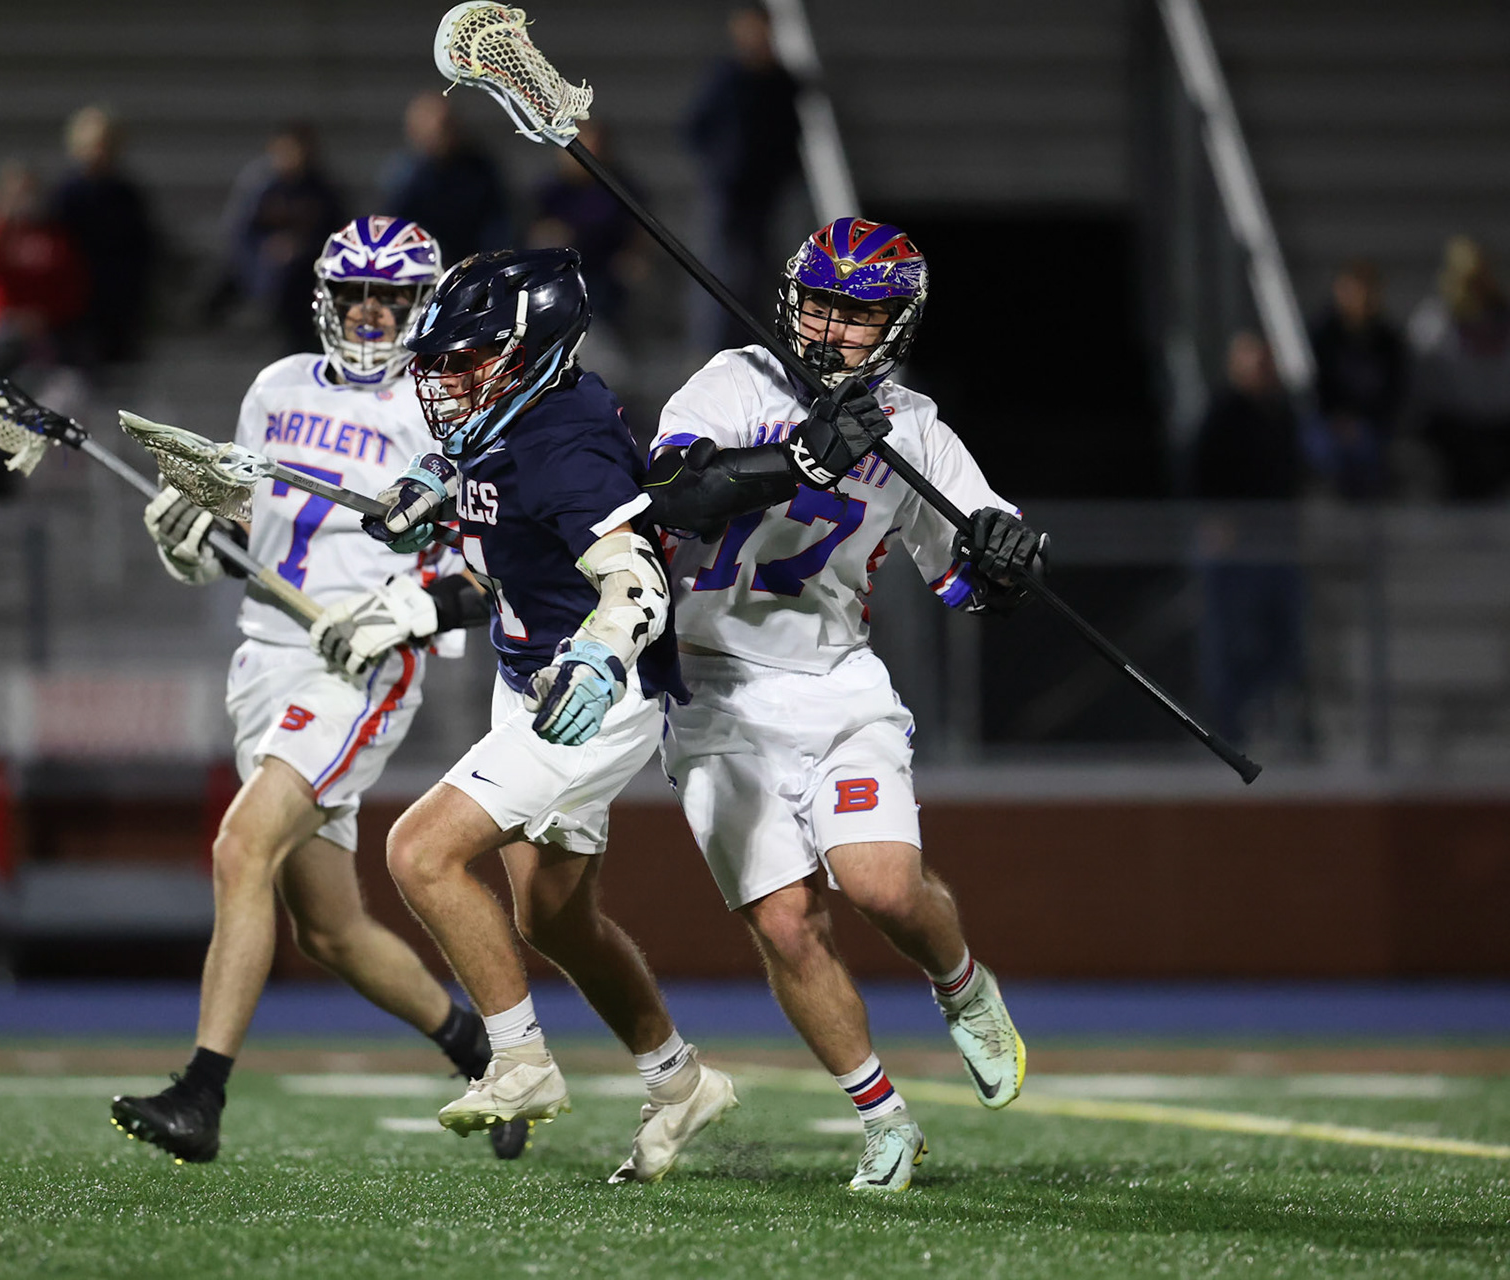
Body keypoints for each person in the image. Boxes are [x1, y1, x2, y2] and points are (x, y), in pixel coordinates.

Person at [109, 217, 528, 1166]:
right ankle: (482, 1052)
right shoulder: (277, 387)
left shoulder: (446, 408)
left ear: (422, 306)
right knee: (332, 930)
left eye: (389, 297)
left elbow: (490, 566)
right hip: (264, 659)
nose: (371, 314)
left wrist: (407, 611)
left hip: (359, 668)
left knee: (239, 847)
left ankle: (202, 1094)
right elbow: (256, 517)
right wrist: (196, 532)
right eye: (354, 297)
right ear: (328, 301)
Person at [641, 218, 1035, 1192]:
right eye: (819, 302)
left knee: (886, 886)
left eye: (856, 315)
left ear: (894, 327)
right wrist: (800, 462)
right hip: (713, 687)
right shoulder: (733, 385)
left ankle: (963, 983)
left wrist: (1009, 558)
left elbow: (974, 558)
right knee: (784, 920)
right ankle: (884, 1116)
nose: (829, 327)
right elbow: (672, 496)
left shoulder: (913, 428)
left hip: (833, 680)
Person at [362, 248, 737, 1185]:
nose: (447, 380)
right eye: (441, 360)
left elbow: (633, 573)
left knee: (420, 851)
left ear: (532, 353)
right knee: (556, 918)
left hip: (587, 693)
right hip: (527, 669)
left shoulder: (565, 442)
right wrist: (435, 501)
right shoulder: (509, 418)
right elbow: (514, 544)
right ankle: (680, 1079)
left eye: (470, 358)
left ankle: (519, 1060)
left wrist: (603, 655)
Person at [1191, 331, 1307, 746]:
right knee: (1230, 640)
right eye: (1253, 363)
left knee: (1282, 639)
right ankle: (1225, 728)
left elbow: (1292, 471)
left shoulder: (1281, 413)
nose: (1261, 370)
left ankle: (1276, 720)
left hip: (1276, 541)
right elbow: (1202, 472)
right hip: (1234, 545)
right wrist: (1216, 521)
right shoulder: (1221, 414)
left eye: (1266, 363)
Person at [682, 6, 802, 354]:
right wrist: (720, 164)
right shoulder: (724, 77)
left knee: (760, 275)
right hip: (725, 193)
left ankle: (755, 351)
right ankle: (711, 354)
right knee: (718, 274)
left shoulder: (781, 82)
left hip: (765, 196)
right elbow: (695, 128)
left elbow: (790, 135)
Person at [208, 122, 343, 353]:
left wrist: (301, 248)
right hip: (262, 273)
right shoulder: (260, 188)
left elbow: (337, 239)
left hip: (307, 279)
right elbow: (240, 237)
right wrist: (267, 252)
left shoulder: (323, 192)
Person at [1407, 235, 1510, 500]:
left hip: (1499, 424)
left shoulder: (1501, 317)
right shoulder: (1434, 320)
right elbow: (1420, 382)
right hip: (1453, 426)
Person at [52, 105, 155, 367]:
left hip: (120, 296)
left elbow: (141, 245)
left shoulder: (126, 193)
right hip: (79, 300)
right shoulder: (67, 194)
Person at [0, 160, 89, 370]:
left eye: (28, 192)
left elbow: (70, 285)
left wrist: (43, 317)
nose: (22, 200)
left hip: (46, 328)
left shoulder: (53, 235)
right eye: (14, 193)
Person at [526, 120, 643, 327]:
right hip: (565, 273)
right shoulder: (549, 191)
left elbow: (637, 232)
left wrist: (634, 254)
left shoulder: (622, 189)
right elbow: (535, 232)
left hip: (608, 273)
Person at [1308, 260, 1404, 500]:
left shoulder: (1389, 341)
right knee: (1329, 453)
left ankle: (1370, 525)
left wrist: (1366, 419)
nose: (1362, 298)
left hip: (1373, 424)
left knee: (1372, 451)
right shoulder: (1321, 336)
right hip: (1327, 421)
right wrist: (1337, 417)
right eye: (1355, 290)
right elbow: (1313, 389)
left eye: (1368, 290)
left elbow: (1395, 391)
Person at [379, 92, 508, 264]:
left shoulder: (479, 170)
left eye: (445, 127)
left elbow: (497, 226)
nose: (439, 135)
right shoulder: (404, 177)